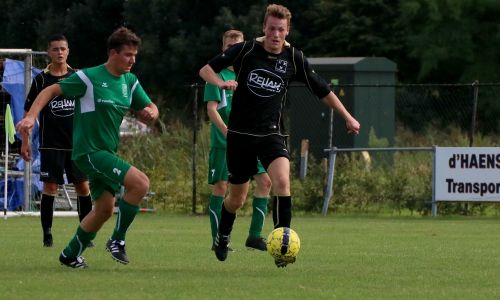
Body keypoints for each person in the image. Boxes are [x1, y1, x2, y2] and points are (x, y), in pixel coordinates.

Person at [199, 4, 361, 267]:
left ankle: (283, 248)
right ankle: (224, 236)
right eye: (272, 29)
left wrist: (348, 116)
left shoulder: (294, 57)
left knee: (282, 182)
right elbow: (206, 69)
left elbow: (322, 90)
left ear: (288, 31)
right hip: (240, 135)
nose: (276, 35)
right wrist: (221, 83)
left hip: (271, 134)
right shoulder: (246, 49)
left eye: (281, 30)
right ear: (264, 27)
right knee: (237, 198)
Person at [16, 27, 159, 269]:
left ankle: (70, 254)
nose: (132, 60)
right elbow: (51, 90)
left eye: (135, 55)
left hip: (106, 153)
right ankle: (117, 240)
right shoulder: (88, 77)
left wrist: (150, 113)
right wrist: (31, 117)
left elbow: (151, 107)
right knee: (141, 183)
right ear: (113, 53)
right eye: (127, 55)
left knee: (103, 209)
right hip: (89, 152)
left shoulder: (130, 82)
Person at [21, 34, 93, 248]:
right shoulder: (41, 80)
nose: (59, 52)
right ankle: (47, 234)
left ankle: (85, 234)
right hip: (51, 144)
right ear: (49, 53)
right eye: (55, 49)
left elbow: (90, 108)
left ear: (68, 51)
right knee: (50, 187)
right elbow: (28, 113)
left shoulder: (78, 77)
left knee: (83, 186)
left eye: (63, 48)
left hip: (77, 144)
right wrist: (25, 142)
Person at [204, 30, 272, 252]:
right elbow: (211, 109)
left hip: (252, 140)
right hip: (225, 143)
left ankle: (254, 236)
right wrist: (226, 130)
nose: (233, 50)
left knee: (265, 182)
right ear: (223, 50)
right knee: (223, 187)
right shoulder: (217, 76)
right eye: (229, 47)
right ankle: (218, 239)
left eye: (237, 46)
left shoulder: (251, 74)